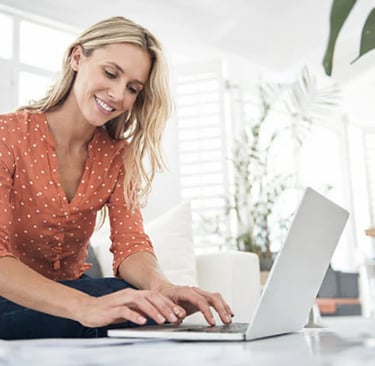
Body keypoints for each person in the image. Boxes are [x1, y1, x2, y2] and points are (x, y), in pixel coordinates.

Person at [0, 16, 233, 339]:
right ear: (78, 58)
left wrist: (162, 288)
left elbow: (130, 244)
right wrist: (86, 307)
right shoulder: (7, 135)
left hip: (72, 291)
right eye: (110, 73)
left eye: (132, 88)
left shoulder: (116, 157)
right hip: (8, 294)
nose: (118, 95)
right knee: (119, 303)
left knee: (141, 302)